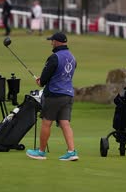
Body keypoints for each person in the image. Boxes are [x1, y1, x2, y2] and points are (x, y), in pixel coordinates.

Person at [26, 32, 78, 161]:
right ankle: (71, 151)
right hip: (68, 94)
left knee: (46, 122)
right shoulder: (73, 58)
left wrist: (40, 81)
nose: (51, 43)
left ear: (57, 42)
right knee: (65, 123)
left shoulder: (54, 57)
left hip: (54, 94)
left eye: (52, 41)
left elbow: (43, 80)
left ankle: (41, 152)